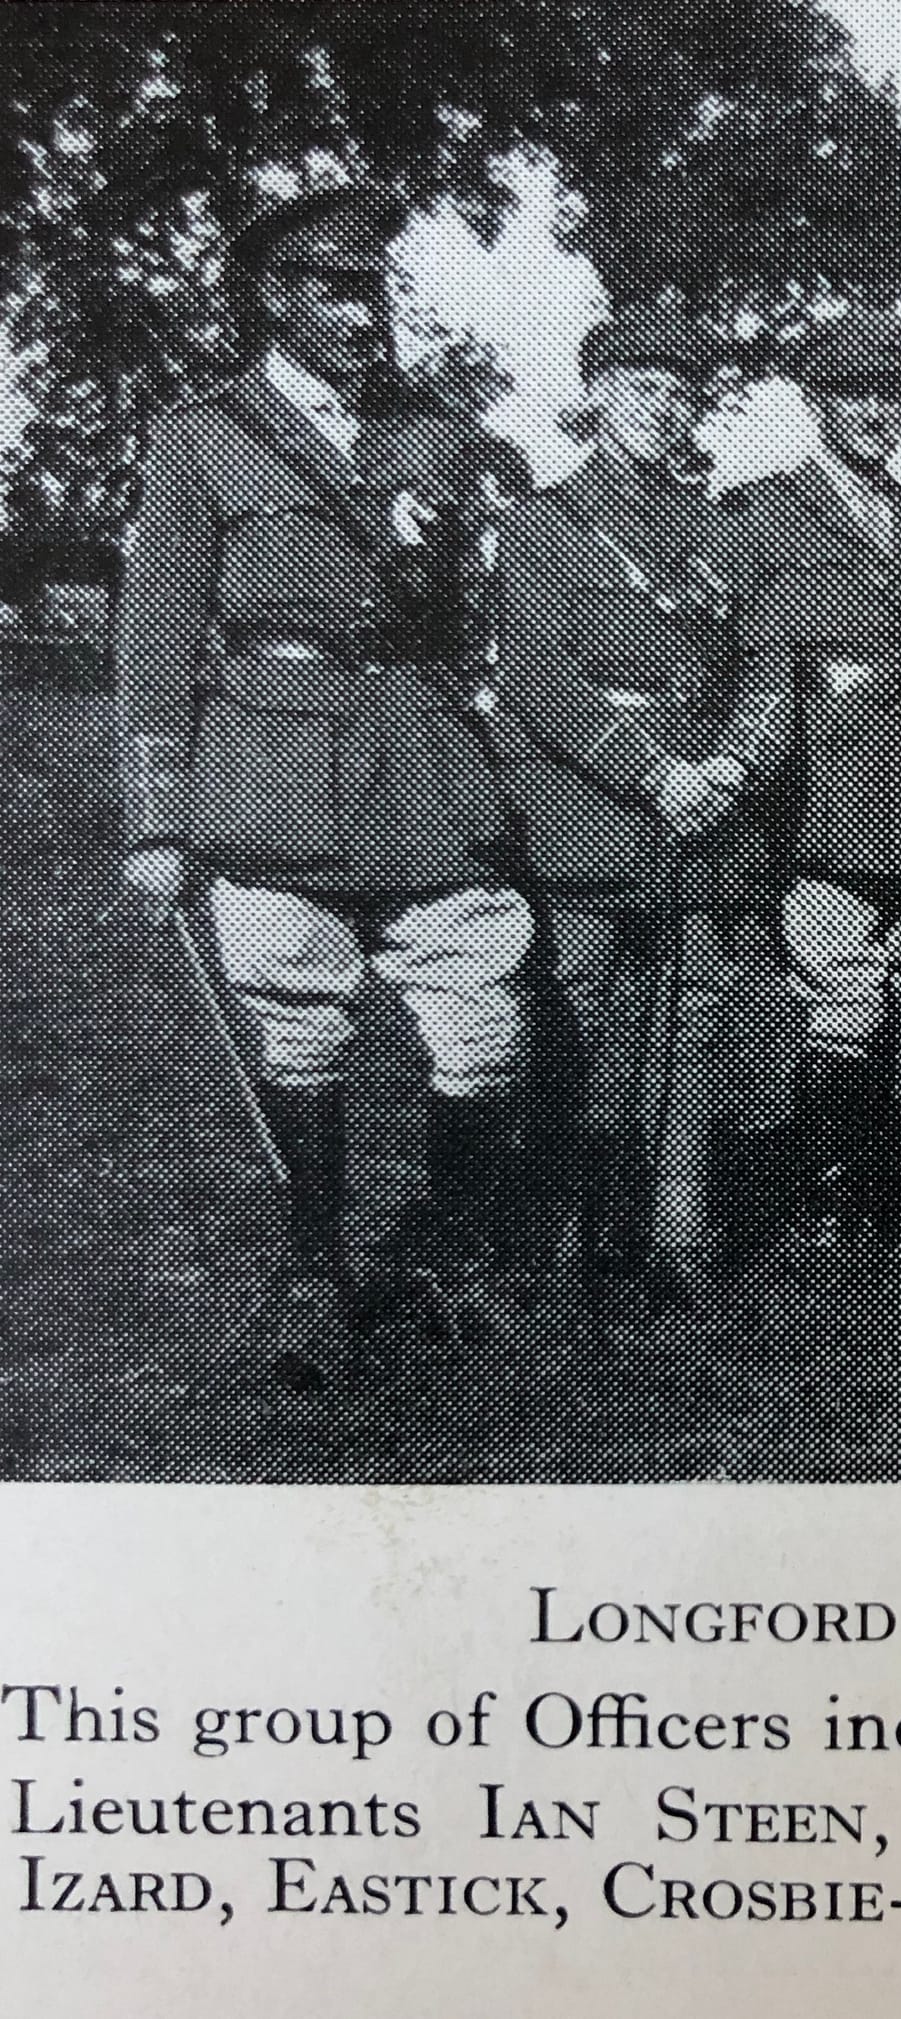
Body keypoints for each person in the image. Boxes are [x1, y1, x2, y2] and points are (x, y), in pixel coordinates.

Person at [113, 187, 535, 1379]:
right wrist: (158, 821)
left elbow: (471, 615)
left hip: (422, 762)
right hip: (271, 768)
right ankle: (313, 1272)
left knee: (480, 1012)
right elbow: (155, 636)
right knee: (299, 1016)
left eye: (374, 289)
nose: (365, 314)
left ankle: (454, 1261)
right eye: (338, 291)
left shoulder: (435, 433)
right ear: (273, 300)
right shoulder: (202, 436)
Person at [486, 301, 758, 1317]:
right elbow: (538, 674)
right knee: (571, 1014)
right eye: (645, 387)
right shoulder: (542, 521)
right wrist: (655, 775)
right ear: (597, 392)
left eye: (684, 394)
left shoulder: (724, 533)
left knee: (693, 1018)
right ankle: (552, 1238)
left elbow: (761, 663)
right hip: (588, 808)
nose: (665, 409)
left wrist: (731, 767)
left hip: (702, 804)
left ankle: (678, 1231)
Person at [713, 307, 901, 1266]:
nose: (874, 411)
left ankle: (869, 1193)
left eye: (889, 396)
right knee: (838, 985)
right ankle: (827, 1201)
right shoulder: (760, 513)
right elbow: (731, 657)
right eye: (853, 394)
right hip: (817, 778)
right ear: (816, 402)